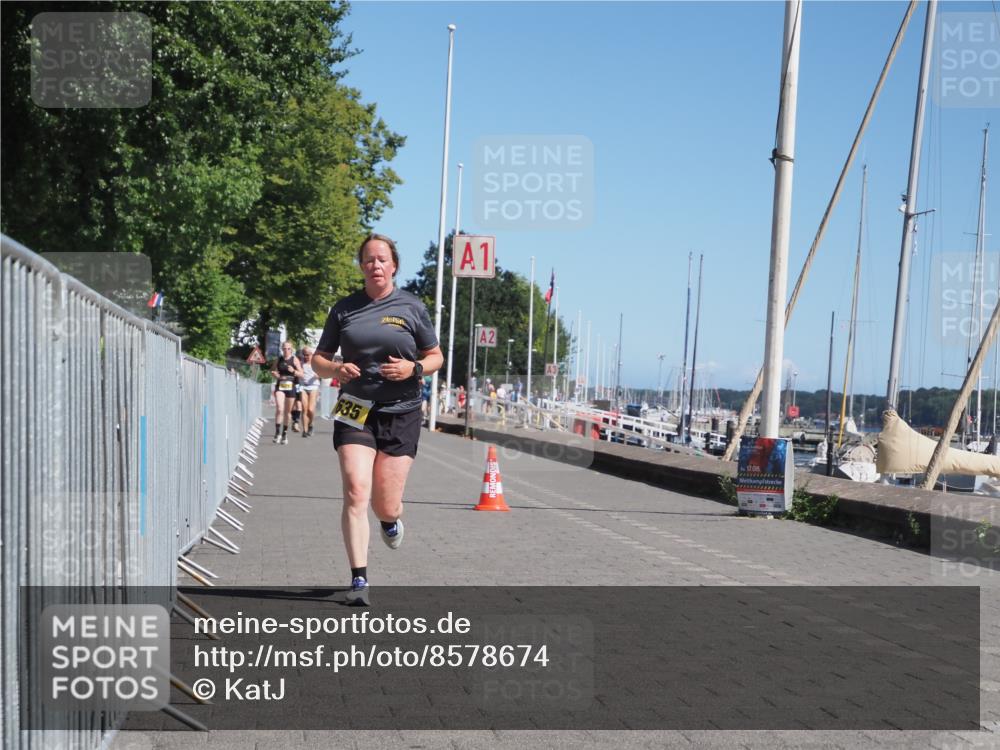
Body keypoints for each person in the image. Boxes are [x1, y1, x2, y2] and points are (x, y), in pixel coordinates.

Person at [312, 234, 443, 605]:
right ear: (362, 266)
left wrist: (413, 367)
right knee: (356, 489)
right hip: (355, 407)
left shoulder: (412, 308)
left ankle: (389, 520)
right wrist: (336, 367)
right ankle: (359, 581)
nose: (376, 265)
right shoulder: (344, 309)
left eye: (382, 259)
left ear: (394, 265)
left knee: (386, 502)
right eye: (369, 259)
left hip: (401, 411)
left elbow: (436, 357)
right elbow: (318, 361)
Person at [270, 342, 303, 444]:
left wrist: (293, 371)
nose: (286, 350)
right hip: (280, 386)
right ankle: (277, 433)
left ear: (291, 349)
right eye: (284, 348)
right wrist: (275, 374)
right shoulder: (278, 359)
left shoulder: (294, 360)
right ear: (281, 349)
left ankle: (284, 434)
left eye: (288, 349)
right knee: (280, 408)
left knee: (287, 413)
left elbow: (301, 374)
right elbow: (272, 371)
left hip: (291, 387)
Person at [298, 346, 321, 437]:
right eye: (304, 355)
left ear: (312, 354)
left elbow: (322, 373)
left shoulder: (315, 363)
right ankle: (305, 430)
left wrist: (318, 375)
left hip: (313, 386)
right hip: (303, 386)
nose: (305, 357)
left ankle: (311, 424)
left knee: (310, 409)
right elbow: (297, 371)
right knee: (304, 409)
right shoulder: (300, 363)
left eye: (307, 355)